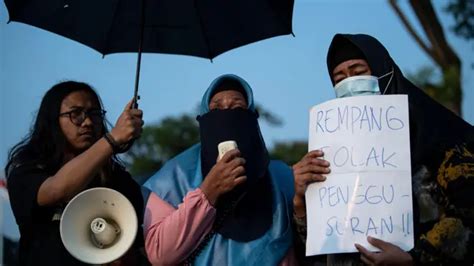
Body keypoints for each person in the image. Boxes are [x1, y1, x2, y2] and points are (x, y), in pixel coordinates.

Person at [293, 33, 474, 265]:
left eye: (358, 72)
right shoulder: (328, 155)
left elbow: (468, 213)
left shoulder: (438, 138)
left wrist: (413, 258)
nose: (349, 83)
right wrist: (300, 202)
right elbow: (320, 246)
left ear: (384, 72)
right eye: (339, 78)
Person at [142, 74, 296, 265]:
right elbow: (160, 255)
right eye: (216, 109)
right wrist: (208, 192)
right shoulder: (173, 177)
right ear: (204, 118)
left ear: (252, 117)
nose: (226, 115)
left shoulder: (282, 177)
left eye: (237, 108)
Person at [5, 81, 146, 265]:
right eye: (75, 114)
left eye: (94, 114)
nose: (87, 122)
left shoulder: (116, 177)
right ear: (53, 120)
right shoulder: (27, 167)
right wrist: (112, 139)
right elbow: (57, 190)